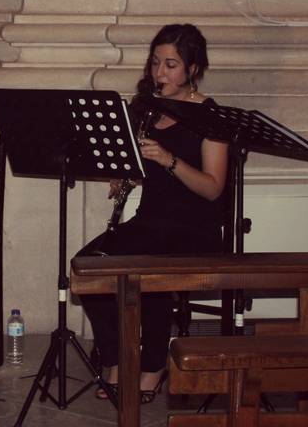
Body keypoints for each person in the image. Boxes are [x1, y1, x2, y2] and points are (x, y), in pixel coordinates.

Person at [75, 23, 228, 402]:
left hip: (195, 228)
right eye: (156, 63)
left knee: (149, 270)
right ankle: (115, 358)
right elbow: (137, 165)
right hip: (150, 220)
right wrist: (122, 172)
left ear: (193, 68)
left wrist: (168, 158)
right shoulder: (145, 108)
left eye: (171, 65)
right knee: (86, 266)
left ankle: (154, 365)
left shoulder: (211, 116)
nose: (160, 73)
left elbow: (213, 188)